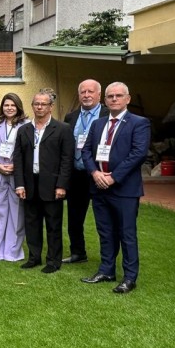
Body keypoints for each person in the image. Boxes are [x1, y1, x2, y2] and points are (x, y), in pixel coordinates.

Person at [81, 82, 150, 294]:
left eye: (118, 96)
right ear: (105, 100)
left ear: (127, 99)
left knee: (126, 233)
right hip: (99, 187)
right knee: (105, 231)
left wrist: (113, 178)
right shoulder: (98, 124)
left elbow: (138, 154)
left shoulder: (139, 123)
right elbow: (86, 151)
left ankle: (129, 277)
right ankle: (106, 270)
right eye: (110, 96)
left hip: (124, 190)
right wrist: (95, 173)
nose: (113, 99)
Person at [13, 89, 74, 274]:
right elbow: (18, 158)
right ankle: (34, 257)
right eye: (36, 104)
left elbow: (67, 159)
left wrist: (62, 185)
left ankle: (54, 261)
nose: (39, 107)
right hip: (30, 184)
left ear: (51, 107)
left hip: (52, 185)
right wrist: (20, 184)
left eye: (43, 104)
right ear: (32, 106)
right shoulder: (24, 130)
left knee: (53, 225)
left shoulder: (62, 129)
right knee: (32, 223)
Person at [63, 79, 105, 264]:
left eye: (90, 92)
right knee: (74, 218)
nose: (86, 95)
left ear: (99, 95)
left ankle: (107, 258)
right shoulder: (70, 117)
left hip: (99, 174)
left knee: (103, 219)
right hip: (76, 175)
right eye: (83, 92)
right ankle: (78, 253)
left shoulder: (107, 114)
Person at [0, 93, 28, 261]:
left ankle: (13, 251)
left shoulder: (26, 125)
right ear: (2, 107)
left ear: (18, 107)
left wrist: (16, 166)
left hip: (17, 175)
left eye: (13, 105)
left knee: (17, 214)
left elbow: (27, 150)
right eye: (6, 105)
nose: (9, 108)